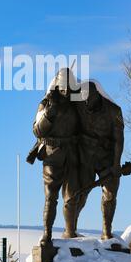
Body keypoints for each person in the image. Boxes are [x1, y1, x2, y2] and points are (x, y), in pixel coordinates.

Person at [31, 68, 80, 246]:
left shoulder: (77, 104)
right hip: (52, 154)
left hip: (72, 155)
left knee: (72, 196)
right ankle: (47, 234)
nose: (66, 90)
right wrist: (50, 113)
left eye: (69, 86)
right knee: (51, 197)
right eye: (63, 86)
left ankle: (70, 231)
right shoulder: (46, 103)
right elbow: (37, 130)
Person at [75, 81, 124, 240]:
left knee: (110, 193)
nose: (87, 102)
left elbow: (119, 139)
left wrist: (116, 164)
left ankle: (106, 231)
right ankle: (71, 228)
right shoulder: (78, 108)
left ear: (97, 94)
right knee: (80, 194)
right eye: (84, 99)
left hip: (107, 157)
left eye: (89, 98)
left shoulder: (114, 111)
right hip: (85, 157)